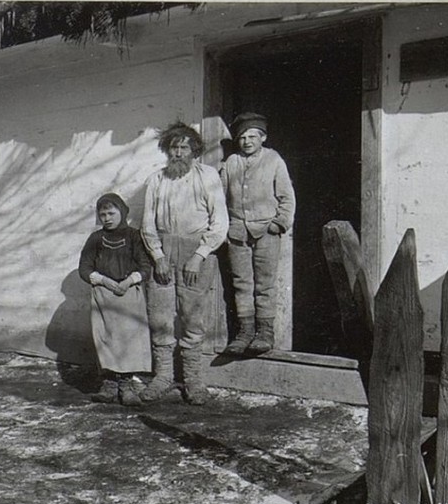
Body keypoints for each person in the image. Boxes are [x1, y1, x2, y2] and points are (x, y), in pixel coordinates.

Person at [140, 122, 229, 405]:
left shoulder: (208, 176)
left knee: (192, 318)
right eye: (173, 148)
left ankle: (193, 381)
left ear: (195, 150)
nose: (178, 153)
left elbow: (220, 222)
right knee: (160, 317)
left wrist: (200, 254)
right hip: (164, 252)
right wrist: (158, 257)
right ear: (167, 150)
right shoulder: (157, 179)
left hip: (197, 252)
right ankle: (163, 376)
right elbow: (147, 224)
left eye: (184, 147)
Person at [219, 112, 296, 354]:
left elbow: (286, 197)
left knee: (264, 284)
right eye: (242, 137)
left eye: (252, 136)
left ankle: (265, 333)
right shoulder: (231, 163)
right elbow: (220, 199)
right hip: (238, 232)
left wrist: (278, 224)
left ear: (263, 137)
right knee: (242, 283)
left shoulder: (274, 160)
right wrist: (226, 228)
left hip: (266, 232)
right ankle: (245, 332)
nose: (247, 141)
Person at [78, 192, 153, 406]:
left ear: (122, 212)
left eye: (111, 213)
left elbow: (145, 266)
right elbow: (84, 268)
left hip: (128, 294)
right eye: (102, 214)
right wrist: (103, 281)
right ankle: (109, 385)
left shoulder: (133, 236)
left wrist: (129, 281)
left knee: (129, 340)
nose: (107, 218)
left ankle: (126, 386)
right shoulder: (95, 239)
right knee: (106, 339)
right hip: (104, 294)